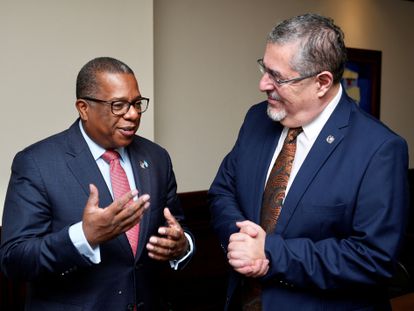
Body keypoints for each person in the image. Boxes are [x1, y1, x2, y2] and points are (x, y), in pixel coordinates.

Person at [209, 13, 409, 311]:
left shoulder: (379, 149)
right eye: (265, 68)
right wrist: (240, 240)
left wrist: (270, 252)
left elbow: (373, 258)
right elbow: (222, 191)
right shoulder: (256, 119)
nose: (263, 83)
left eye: (277, 76)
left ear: (322, 82)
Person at [0, 57, 194, 311]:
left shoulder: (156, 158)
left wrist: (182, 246)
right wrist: (84, 237)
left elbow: (179, 226)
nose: (133, 114)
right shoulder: (37, 163)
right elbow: (14, 260)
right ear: (84, 108)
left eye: (136, 103)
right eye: (118, 105)